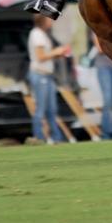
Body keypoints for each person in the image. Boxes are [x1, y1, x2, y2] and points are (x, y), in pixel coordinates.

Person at [27, 15, 69, 144]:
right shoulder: (37, 34)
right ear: (42, 21)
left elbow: (46, 56)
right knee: (41, 109)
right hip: (40, 75)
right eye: (49, 19)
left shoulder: (43, 34)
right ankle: (39, 137)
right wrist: (56, 52)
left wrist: (58, 55)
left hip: (48, 75)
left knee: (52, 109)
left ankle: (57, 138)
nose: (51, 22)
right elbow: (40, 57)